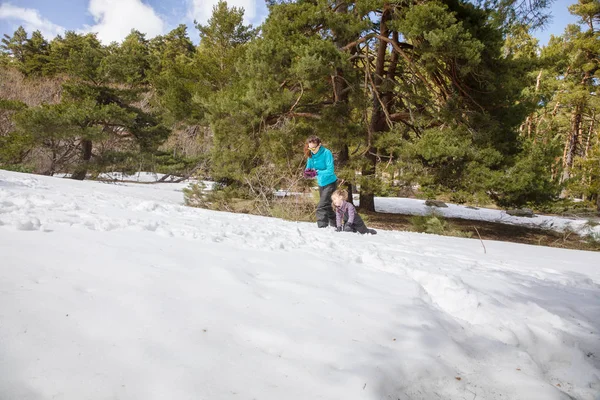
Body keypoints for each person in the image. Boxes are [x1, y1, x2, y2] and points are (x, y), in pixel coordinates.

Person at [303, 135, 337, 228]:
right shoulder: (310, 155)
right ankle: (336, 225)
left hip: (330, 183)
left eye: (314, 148)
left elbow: (330, 171)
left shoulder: (327, 153)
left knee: (321, 206)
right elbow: (307, 171)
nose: (312, 150)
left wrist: (316, 172)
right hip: (321, 184)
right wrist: (308, 174)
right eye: (310, 148)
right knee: (328, 206)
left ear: (319, 145)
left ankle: (322, 228)